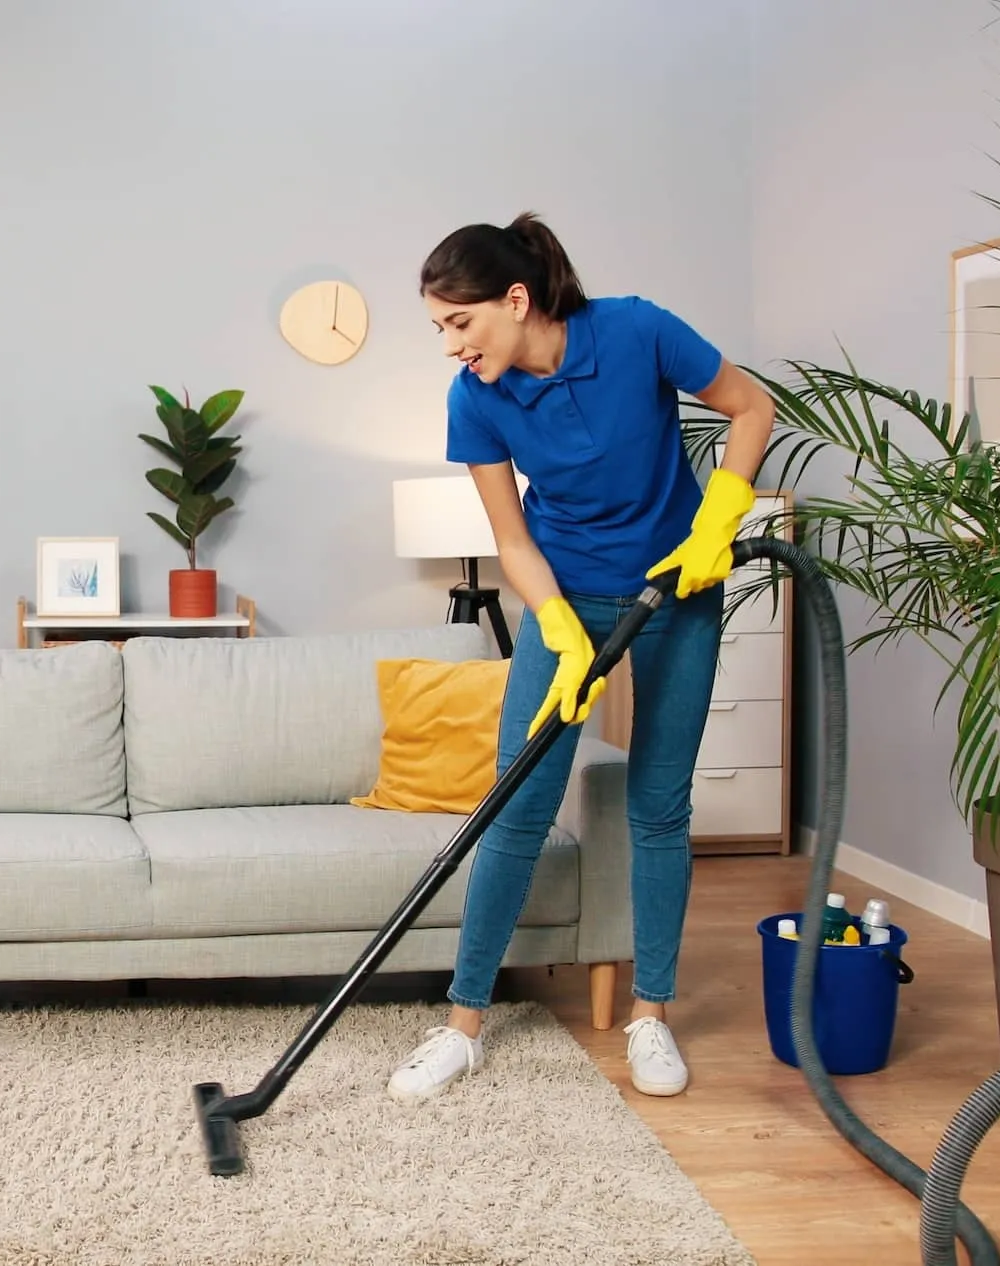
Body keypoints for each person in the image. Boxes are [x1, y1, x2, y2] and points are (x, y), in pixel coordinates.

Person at [387, 213, 773, 1102]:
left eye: (460, 322)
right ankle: (462, 1025)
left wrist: (719, 522)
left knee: (658, 807)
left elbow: (752, 407)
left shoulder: (636, 331)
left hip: (677, 593)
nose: (450, 345)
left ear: (516, 299)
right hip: (568, 599)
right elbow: (510, 538)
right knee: (515, 808)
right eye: (439, 328)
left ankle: (651, 1017)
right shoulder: (475, 398)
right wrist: (557, 628)